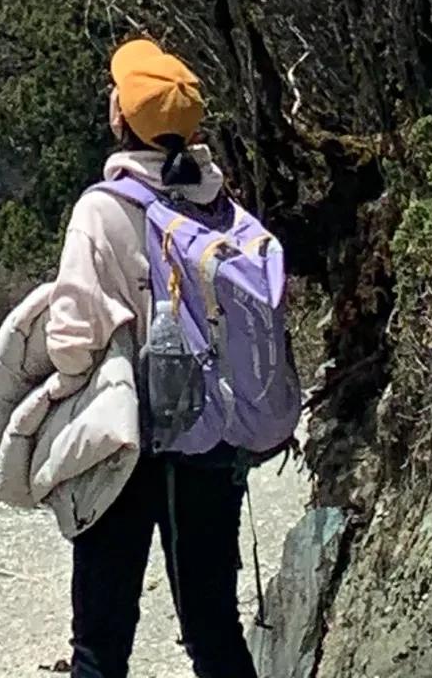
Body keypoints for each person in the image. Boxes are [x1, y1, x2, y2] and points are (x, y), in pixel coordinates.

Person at [46, 37, 263, 678]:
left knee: (99, 643)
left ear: (121, 117)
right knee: (215, 631)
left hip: (123, 448)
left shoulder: (101, 210)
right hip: (209, 443)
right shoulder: (220, 206)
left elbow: (71, 337)